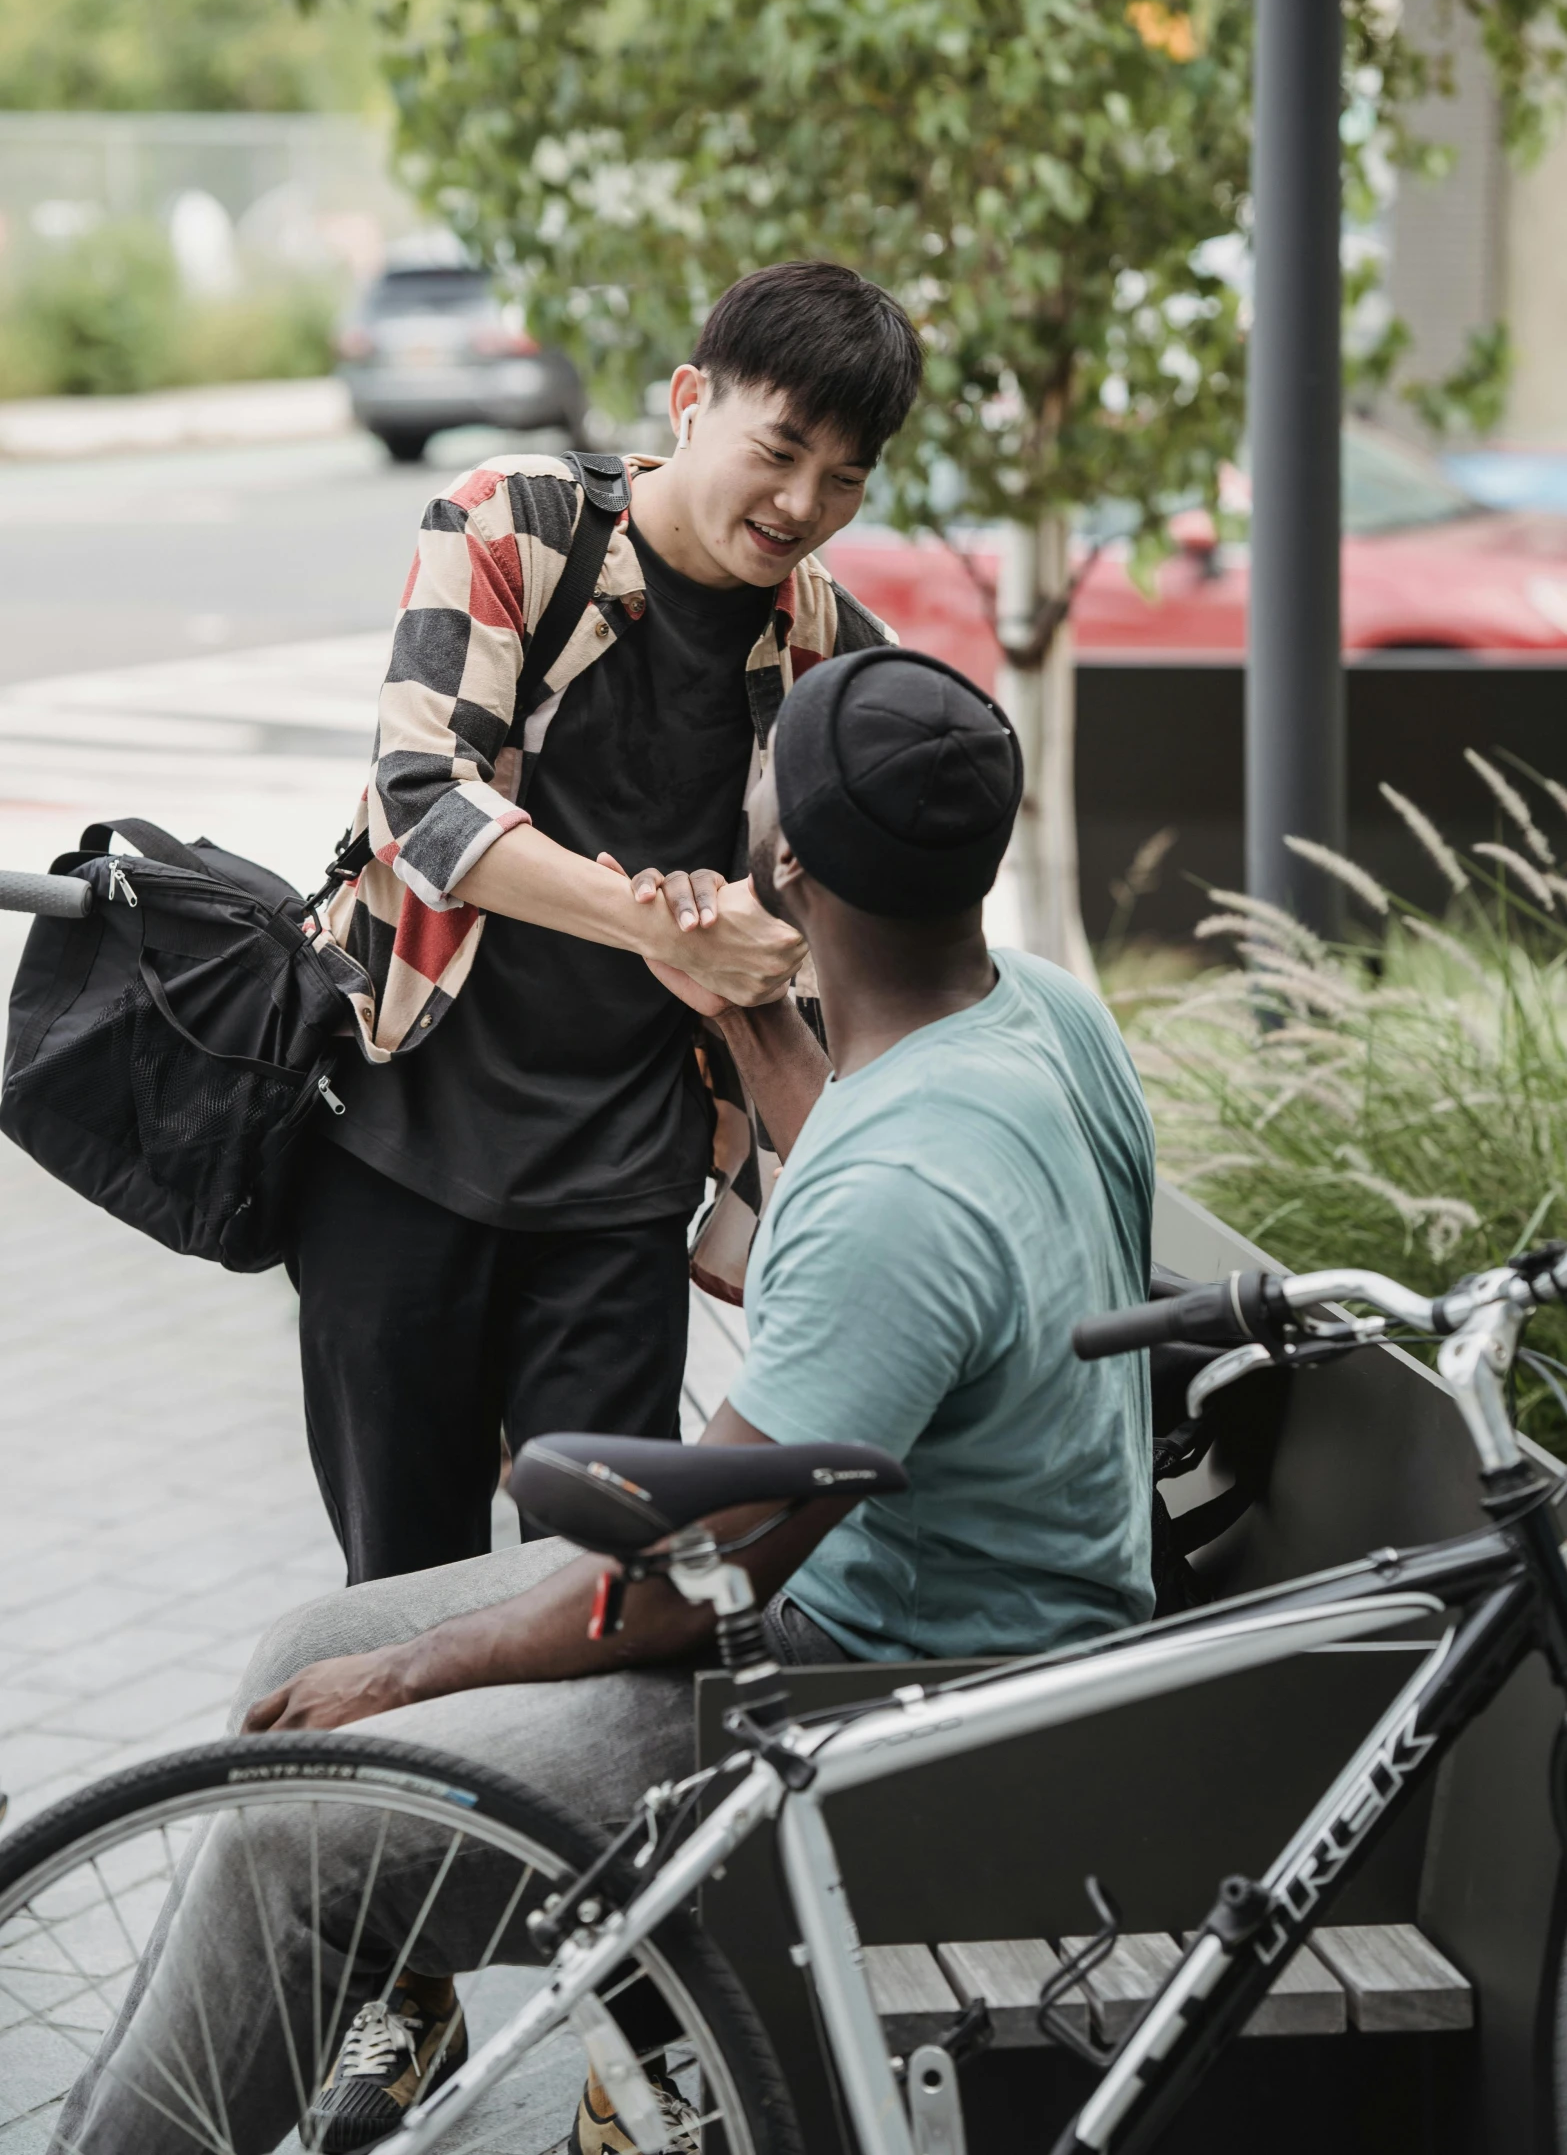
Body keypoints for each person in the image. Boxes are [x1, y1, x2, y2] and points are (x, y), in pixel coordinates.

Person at [57, 649, 1156, 2155]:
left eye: (767, 772)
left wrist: (417, 1675)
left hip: (906, 1716)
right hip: (932, 1621)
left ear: (788, 863)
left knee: (293, 1842)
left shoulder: (904, 1192)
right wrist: (746, 1020)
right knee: (306, 1645)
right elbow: (865, 1177)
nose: (742, 780)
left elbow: (680, 1581)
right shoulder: (1028, 1012)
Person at [295, 261, 922, 1583]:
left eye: (847, 477)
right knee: (405, 1590)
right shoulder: (509, 525)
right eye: (781, 450)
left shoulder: (827, 648)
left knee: (596, 1596)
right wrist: (665, 927)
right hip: (398, 1150)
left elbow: (867, 894)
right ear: (692, 399)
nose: (804, 504)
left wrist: (761, 1157)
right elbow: (422, 798)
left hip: (622, 1188)